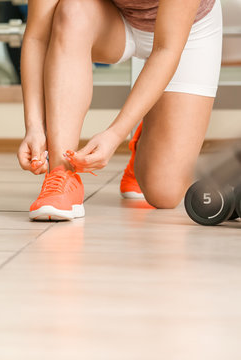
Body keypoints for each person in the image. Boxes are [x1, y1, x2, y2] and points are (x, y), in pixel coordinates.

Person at [17, 0, 222, 221]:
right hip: (114, 20)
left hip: (188, 33)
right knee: (71, 11)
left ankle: (148, 131)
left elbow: (166, 50)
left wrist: (116, 133)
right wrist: (35, 126)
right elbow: (38, 36)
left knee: (164, 193)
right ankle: (61, 175)